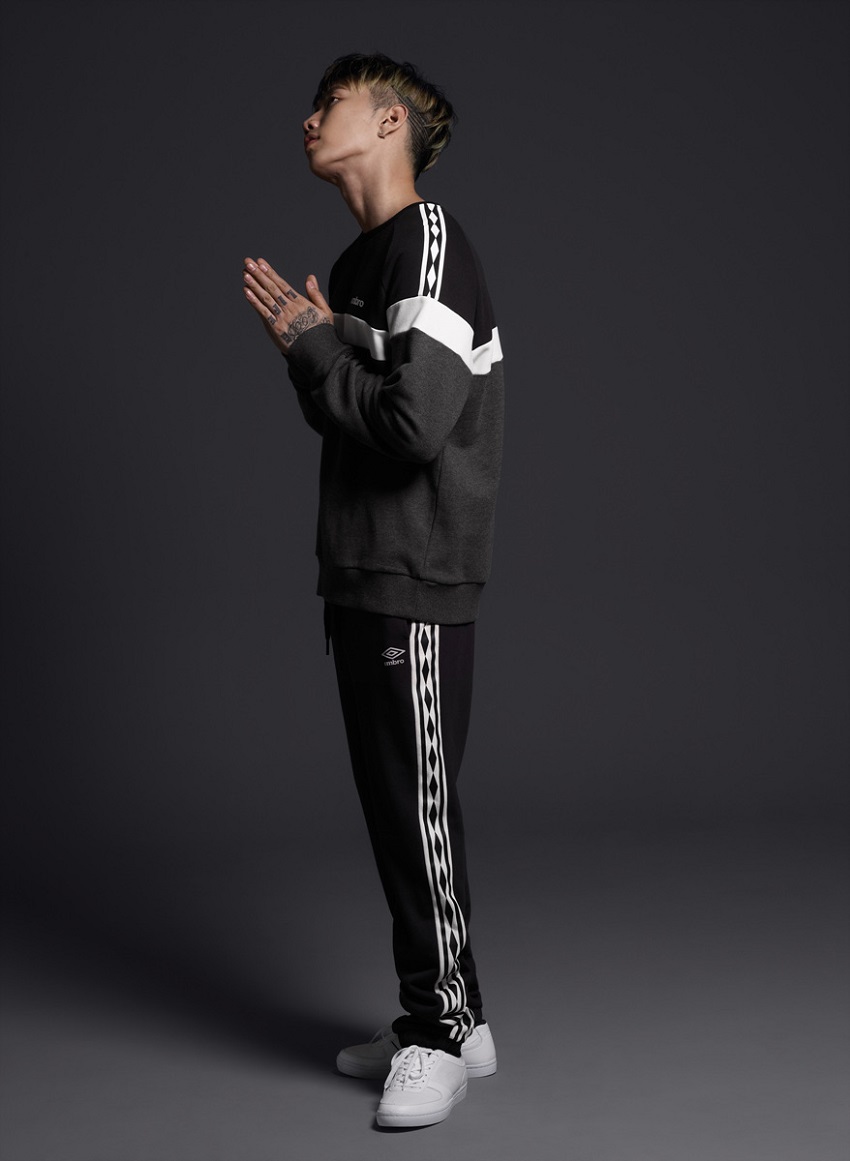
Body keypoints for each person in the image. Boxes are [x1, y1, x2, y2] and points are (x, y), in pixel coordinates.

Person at [241, 52, 503, 1129]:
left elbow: (411, 424)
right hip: (358, 569)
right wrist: (312, 349)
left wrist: (315, 348)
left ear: (389, 122)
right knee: (396, 811)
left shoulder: (428, 242)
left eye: (330, 104)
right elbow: (347, 413)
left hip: (414, 574)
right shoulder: (361, 261)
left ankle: (438, 1032)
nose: (308, 120)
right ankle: (455, 1016)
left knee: (415, 808)